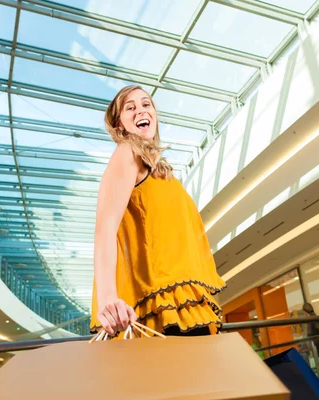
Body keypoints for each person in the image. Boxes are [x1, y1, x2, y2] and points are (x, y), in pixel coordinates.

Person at [90, 85, 225, 337]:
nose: (141, 110)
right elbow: (104, 230)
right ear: (119, 125)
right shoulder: (127, 152)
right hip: (162, 305)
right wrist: (108, 299)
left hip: (184, 301)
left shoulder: (162, 173)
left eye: (146, 104)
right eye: (130, 108)